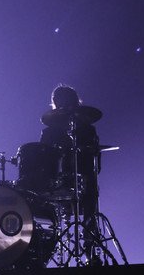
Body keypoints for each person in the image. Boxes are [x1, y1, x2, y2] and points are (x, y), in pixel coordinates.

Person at [38, 84, 101, 217]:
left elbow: (95, 164)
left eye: (67, 101)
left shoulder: (88, 129)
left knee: (90, 185)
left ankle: (90, 224)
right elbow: (43, 158)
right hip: (56, 179)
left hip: (82, 177)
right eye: (61, 102)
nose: (64, 105)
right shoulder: (49, 132)